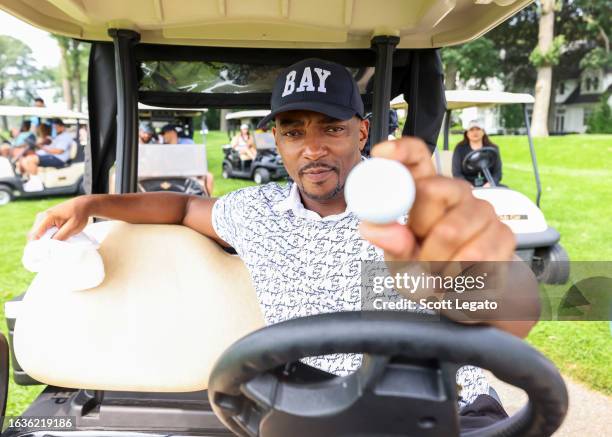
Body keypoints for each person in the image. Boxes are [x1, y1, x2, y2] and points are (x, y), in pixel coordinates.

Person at [30, 59, 539, 428]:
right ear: (277, 139)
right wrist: (93, 203)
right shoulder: (256, 211)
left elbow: (520, 313)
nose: (313, 148)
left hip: (446, 406)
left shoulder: (415, 210)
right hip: (309, 409)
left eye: (332, 129)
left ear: (362, 133)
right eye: (294, 132)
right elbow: (182, 208)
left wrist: (496, 276)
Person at [19, 118, 74, 192]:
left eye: (57, 127)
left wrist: (42, 147)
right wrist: (40, 148)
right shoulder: (58, 136)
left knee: (31, 159)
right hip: (53, 156)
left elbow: (58, 151)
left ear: (62, 127)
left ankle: (36, 184)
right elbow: (51, 147)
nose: (55, 129)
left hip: (59, 159)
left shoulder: (65, 137)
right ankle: (30, 180)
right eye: (54, 127)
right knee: (25, 159)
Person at [452, 120, 502, 187]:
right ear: (467, 133)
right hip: (466, 186)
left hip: (488, 184)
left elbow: (498, 173)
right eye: (471, 130)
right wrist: (467, 186)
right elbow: (457, 173)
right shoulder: (460, 149)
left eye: (478, 129)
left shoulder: (493, 149)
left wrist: (490, 184)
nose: (475, 132)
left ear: (483, 132)